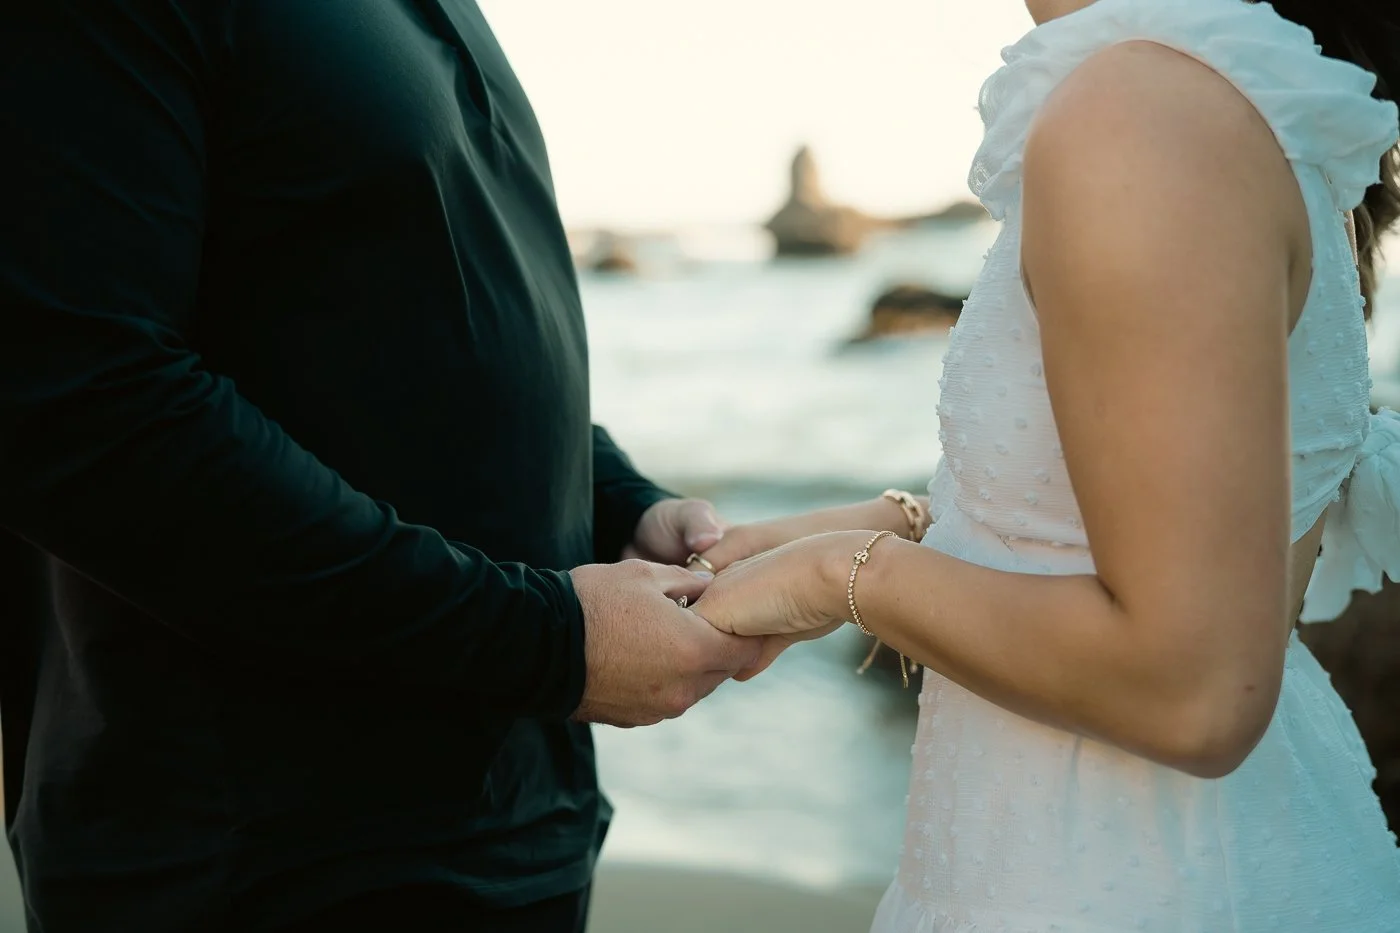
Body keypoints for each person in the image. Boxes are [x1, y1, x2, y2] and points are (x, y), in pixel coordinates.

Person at [0, 3, 764, 932]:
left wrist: (617, 499)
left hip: (512, 819)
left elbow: (413, 316)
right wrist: (545, 642)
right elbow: (82, 408)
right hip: (263, 859)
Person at [693, 0, 1400, 928]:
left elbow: (1192, 691)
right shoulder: (1254, 92)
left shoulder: (1147, 108)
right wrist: (892, 523)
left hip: (1130, 883)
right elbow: (1208, 536)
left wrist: (837, 578)